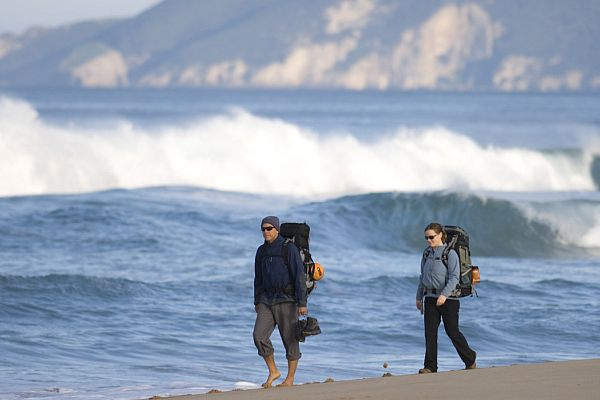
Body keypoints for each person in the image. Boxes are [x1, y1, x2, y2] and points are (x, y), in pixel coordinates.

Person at [253, 216, 307, 387]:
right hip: (266, 300)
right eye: (263, 229)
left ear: (276, 229)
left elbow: (299, 276)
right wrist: (257, 300)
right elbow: (258, 278)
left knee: (290, 339)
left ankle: (289, 379)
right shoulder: (261, 251)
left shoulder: (288, 249)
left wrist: (302, 302)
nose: (265, 232)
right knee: (259, 336)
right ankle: (273, 371)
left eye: (269, 228)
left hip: (287, 300)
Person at [416, 222, 476, 373]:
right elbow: (422, 276)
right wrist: (419, 297)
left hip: (449, 299)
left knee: (452, 332)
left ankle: (470, 358)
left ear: (440, 235)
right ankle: (430, 367)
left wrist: (444, 295)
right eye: (426, 238)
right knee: (430, 333)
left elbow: (455, 277)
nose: (429, 240)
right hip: (430, 297)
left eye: (431, 237)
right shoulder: (426, 253)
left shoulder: (450, 254)